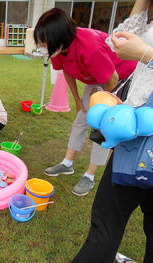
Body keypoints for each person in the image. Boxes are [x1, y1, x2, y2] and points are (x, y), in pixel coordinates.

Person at [73, 0, 153, 261]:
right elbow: (117, 42)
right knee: (105, 224)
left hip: (143, 137)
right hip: (130, 136)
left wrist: (145, 53)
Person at [34, 8, 137, 196]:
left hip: (119, 76)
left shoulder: (89, 47)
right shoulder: (60, 50)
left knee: (103, 127)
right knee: (81, 118)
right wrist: (77, 100)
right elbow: (66, 70)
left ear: (59, 38)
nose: (42, 46)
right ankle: (67, 164)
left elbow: (112, 78)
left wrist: (103, 105)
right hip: (99, 77)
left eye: (44, 42)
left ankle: (89, 176)